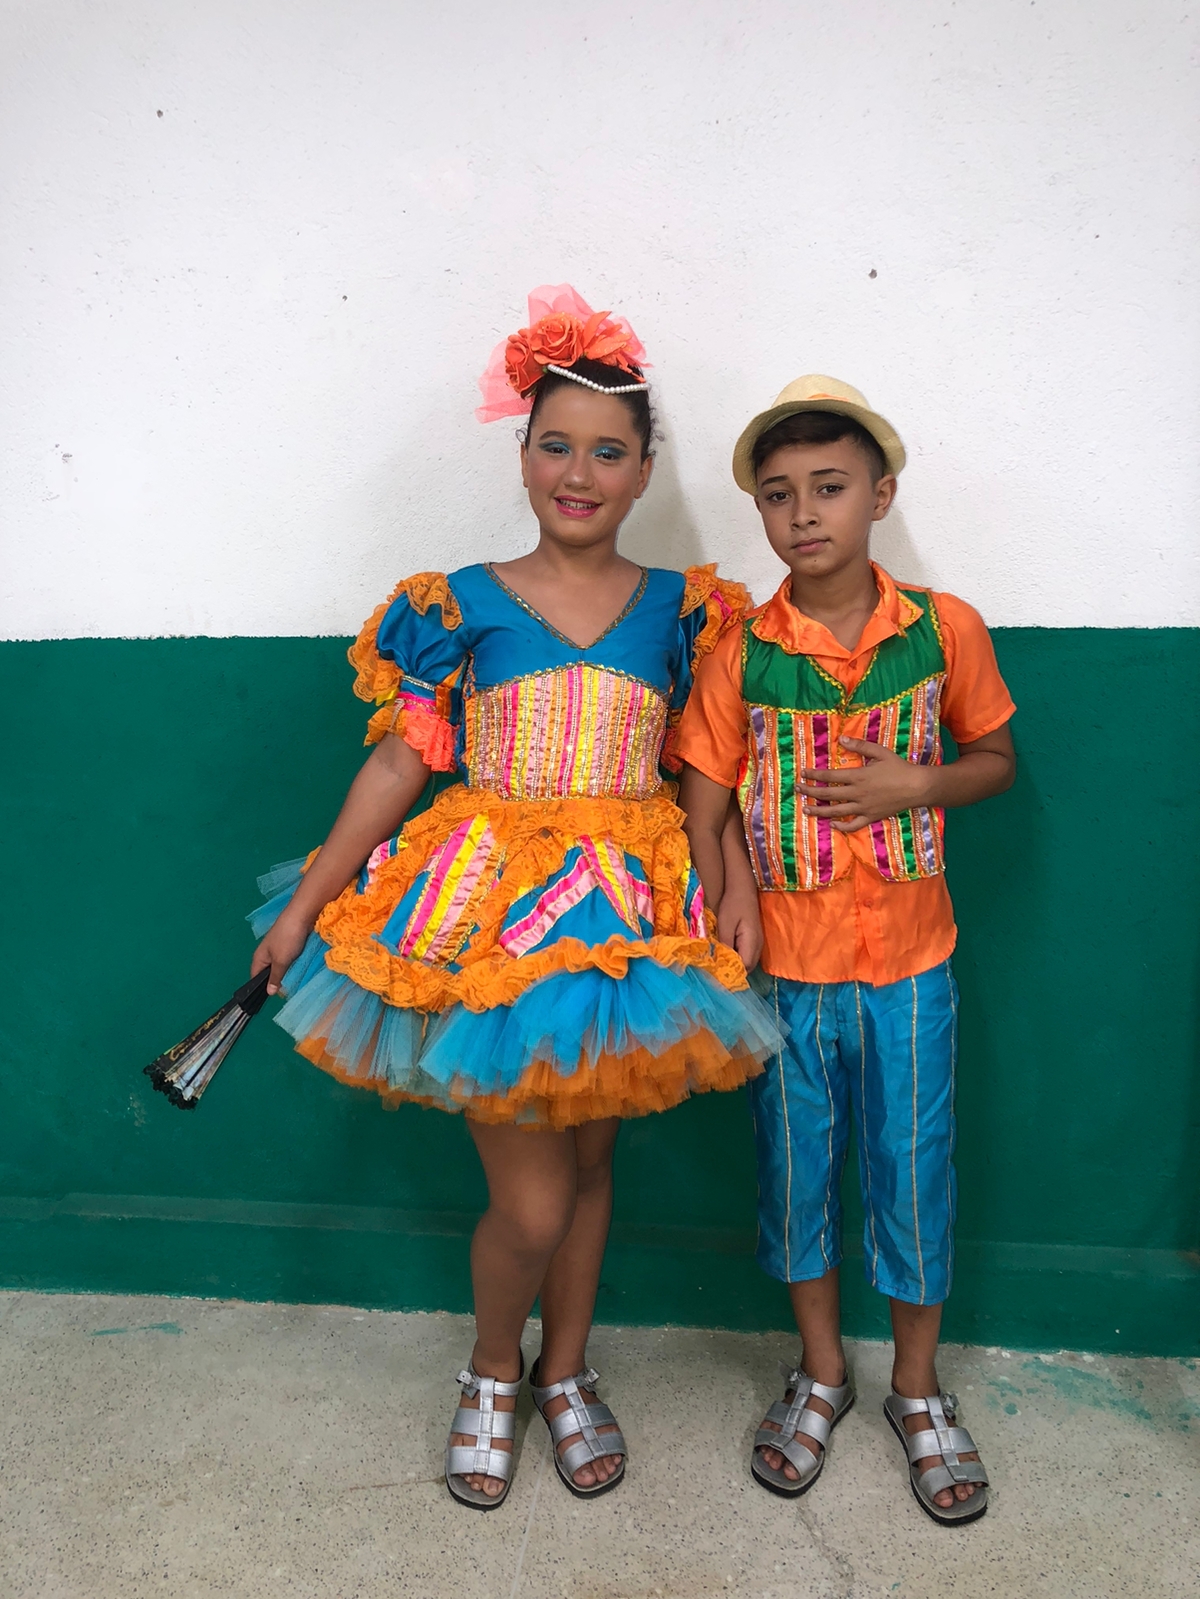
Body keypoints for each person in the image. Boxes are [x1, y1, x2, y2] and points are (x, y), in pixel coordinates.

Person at [248, 287, 783, 1510]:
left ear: (644, 469)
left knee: (591, 1167)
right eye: (556, 445)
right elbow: (401, 762)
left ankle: (566, 1370)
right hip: (497, 914)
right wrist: (306, 905)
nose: (579, 474)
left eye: (609, 452)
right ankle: (493, 1369)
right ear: (523, 453)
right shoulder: (458, 604)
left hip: (629, 916)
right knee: (532, 1200)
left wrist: (736, 883)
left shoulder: (687, 612)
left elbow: (710, 770)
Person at [677, 375, 1016, 1526]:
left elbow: (995, 760)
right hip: (787, 970)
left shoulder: (942, 630)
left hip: (913, 967)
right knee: (796, 1173)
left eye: (829, 487)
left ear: (881, 495)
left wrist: (921, 782)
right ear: (761, 513)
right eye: (779, 494)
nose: (804, 512)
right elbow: (705, 800)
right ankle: (821, 1371)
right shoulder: (739, 653)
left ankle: (916, 1386)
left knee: (914, 1172)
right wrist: (733, 891)